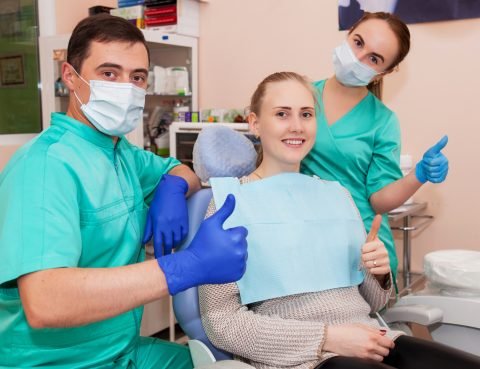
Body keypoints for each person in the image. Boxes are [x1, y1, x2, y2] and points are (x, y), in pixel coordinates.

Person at [0, 14, 248, 368]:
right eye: (109, 73)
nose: (127, 88)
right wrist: (189, 265)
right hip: (55, 361)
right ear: (70, 76)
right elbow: (46, 302)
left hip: (120, 350)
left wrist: (174, 187)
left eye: (137, 77)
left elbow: (180, 170)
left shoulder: (120, 153)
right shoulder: (43, 167)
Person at [198, 72, 479, 369]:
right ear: (254, 123)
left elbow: (371, 303)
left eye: (306, 114)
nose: (296, 126)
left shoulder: (336, 196)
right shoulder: (229, 204)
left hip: (373, 337)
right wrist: (328, 338)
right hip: (303, 360)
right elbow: (221, 322)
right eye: (282, 114)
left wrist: (378, 273)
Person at [301, 12, 449, 283]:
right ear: (349, 34)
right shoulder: (300, 96)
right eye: (358, 43)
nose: (358, 58)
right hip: (303, 232)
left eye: (374, 58)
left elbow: (378, 199)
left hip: (363, 245)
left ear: (385, 72)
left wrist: (419, 174)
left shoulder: (382, 121)